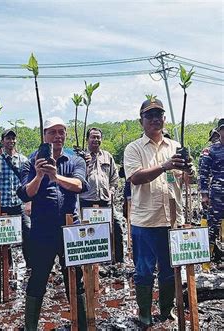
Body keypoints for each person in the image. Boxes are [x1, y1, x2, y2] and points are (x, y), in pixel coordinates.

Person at [124, 98, 192, 327]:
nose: (155, 119)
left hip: (172, 220)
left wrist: (187, 171)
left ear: (164, 118)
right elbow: (135, 178)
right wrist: (165, 166)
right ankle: (144, 313)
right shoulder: (133, 148)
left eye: (158, 115)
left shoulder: (174, 147)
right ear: (141, 121)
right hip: (145, 222)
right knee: (143, 271)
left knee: (170, 270)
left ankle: (166, 310)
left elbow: (184, 181)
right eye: (149, 115)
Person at [17, 116, 88, 330]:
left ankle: (81, 324)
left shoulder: (75, 160)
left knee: (75, 280)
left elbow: (80, 185)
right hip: (42, 230)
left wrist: (56, 177)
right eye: (52, 132)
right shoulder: (30, 161)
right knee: (38, 278)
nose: (57, 136)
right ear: (44, 135)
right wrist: (39, 176)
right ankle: (31, 326)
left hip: (70, 229)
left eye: (61, 132)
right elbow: (24, 194)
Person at [79, 127, 123, 264]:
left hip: (105, 200)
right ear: (87, 139)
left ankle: (118, 261)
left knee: (116, 227)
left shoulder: (107, 156)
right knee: (88, 232)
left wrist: (111, 190)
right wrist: (84, 164)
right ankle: (89, 262)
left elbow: (115, 178)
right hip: (86, 201)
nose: (96, 140)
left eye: (98, 137)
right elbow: (77, 178)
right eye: (93, 137)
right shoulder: (81, 157)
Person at [0, 129, 31, 268]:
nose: (11, 141)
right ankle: (6, 265)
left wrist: (29, 201)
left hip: (18, 203)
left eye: (13, 138)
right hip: (1, 204)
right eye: (7, 138)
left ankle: (30, 264)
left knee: (28, 231)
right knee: (4, 236)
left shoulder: (23, 159)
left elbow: (29, 181)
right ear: (2, 141)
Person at [199, 118, 224, 265]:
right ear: (219, 131)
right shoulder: (211, 150)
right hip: (217, 195)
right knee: (212, 229)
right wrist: (204, 194)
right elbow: (203, 173)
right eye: (223, 129)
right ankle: (206, 264)